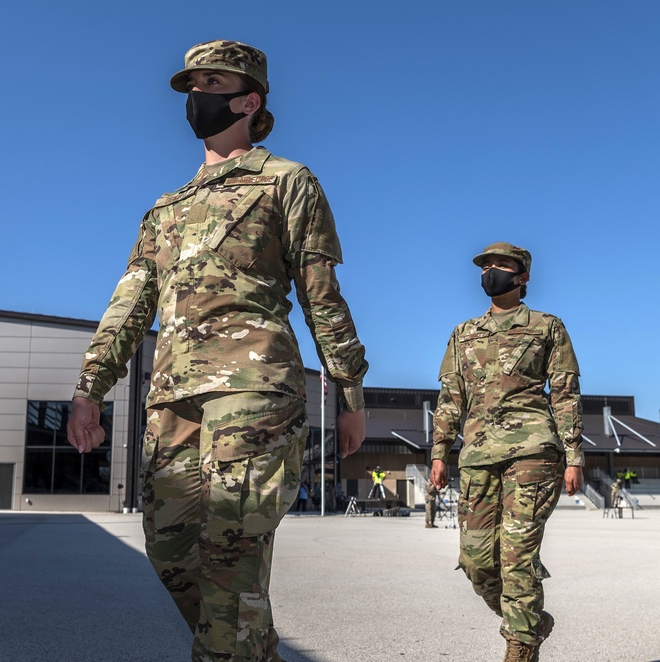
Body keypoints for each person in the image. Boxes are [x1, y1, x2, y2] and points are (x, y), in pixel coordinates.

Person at [66, 40, 369, 662]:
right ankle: (249, 650)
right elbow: (130, 304)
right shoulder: (164, 209)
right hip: (173, 397)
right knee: (171, 551)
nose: (196, 97)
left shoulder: (287, 181)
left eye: (210, 84)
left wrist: (350, 392)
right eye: (192, 86)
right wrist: (89, 388)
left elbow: (321, 294)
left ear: (248, 99)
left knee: (232, 555)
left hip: (254, 390)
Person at [430, 242, 584, 662]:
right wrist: (439, 452)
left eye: (501, 265)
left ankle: (520, 647)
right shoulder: (464, 333)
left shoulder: (547, 327)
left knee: (517, 557)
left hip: (533, 450)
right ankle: (531, 622)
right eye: (486, 266)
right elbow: (450, 397)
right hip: (478, 454)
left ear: (523, 277)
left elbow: (566, 394)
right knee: (476, 559)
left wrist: (574, 456)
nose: (490, 271)